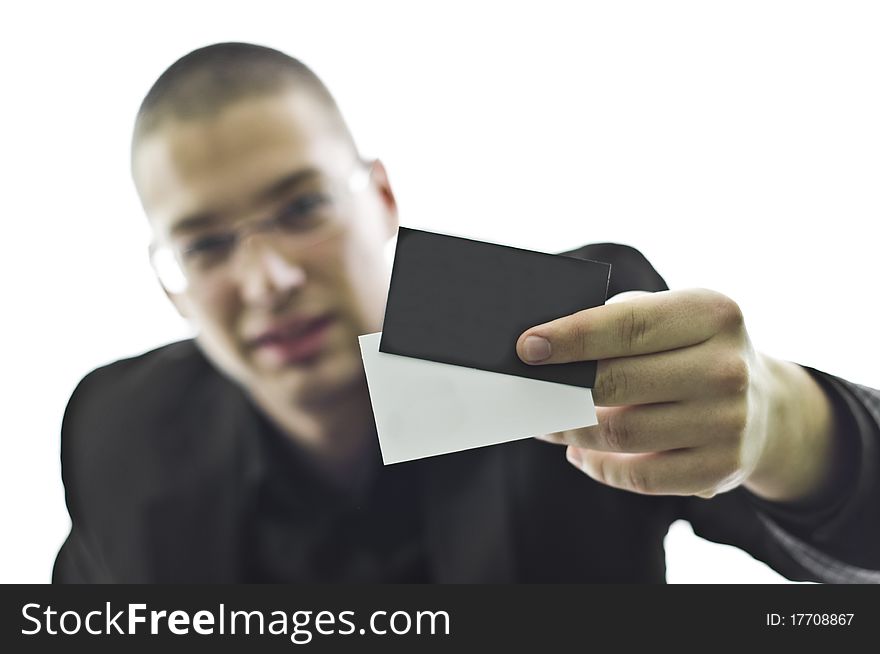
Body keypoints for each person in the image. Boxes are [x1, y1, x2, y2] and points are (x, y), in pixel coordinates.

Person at [54, 42, 880, 583]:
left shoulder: (548, 329)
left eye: (303, 206)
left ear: (382, 200)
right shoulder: (121, 427)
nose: (266, 278)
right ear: (169, 284)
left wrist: (784, 426)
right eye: (204, 246)